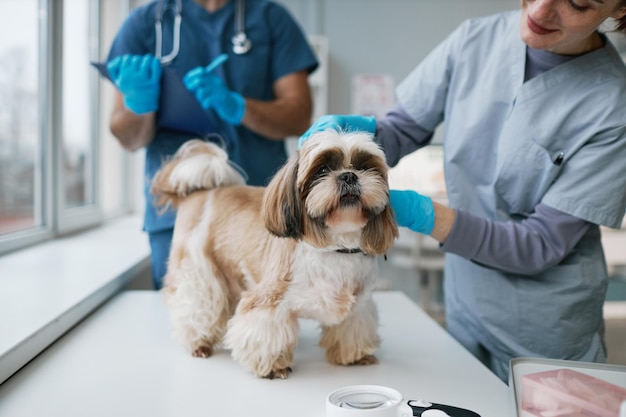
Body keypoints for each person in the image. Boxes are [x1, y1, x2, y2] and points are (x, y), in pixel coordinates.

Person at [300, 0, 626, 383]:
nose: (540, 10)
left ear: (618, 10)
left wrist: (425, 213)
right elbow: (404, 129)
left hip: (545, 325)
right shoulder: (474, 39)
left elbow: (542, 243)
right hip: (466, 303)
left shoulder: (613, 106)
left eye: (577, 3)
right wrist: (363, 132)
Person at [105, 0, 319, 290]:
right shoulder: (145, 24)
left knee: (266, 315)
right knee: (186, 321)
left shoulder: (270, 19)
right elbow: (128, 139)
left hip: (257, 208)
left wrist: (239, 106)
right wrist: (139, 106)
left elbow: (300, 116)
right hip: (177, 212)